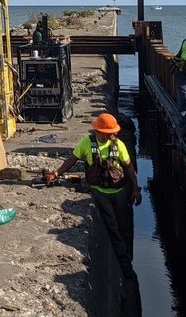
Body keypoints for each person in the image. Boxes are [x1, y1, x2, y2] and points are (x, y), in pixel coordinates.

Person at [44, 112, 141, 277]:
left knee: (123, 226)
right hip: (100, 194)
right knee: (112, 227)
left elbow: (129, 168)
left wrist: (135, 189)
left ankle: (127, 258)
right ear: (100, 131)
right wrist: (56, 173)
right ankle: (124, 265)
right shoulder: (86, 144)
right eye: (111, 132)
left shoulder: (119, 145)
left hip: (119, 193)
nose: (114, 134)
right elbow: (71, 161)